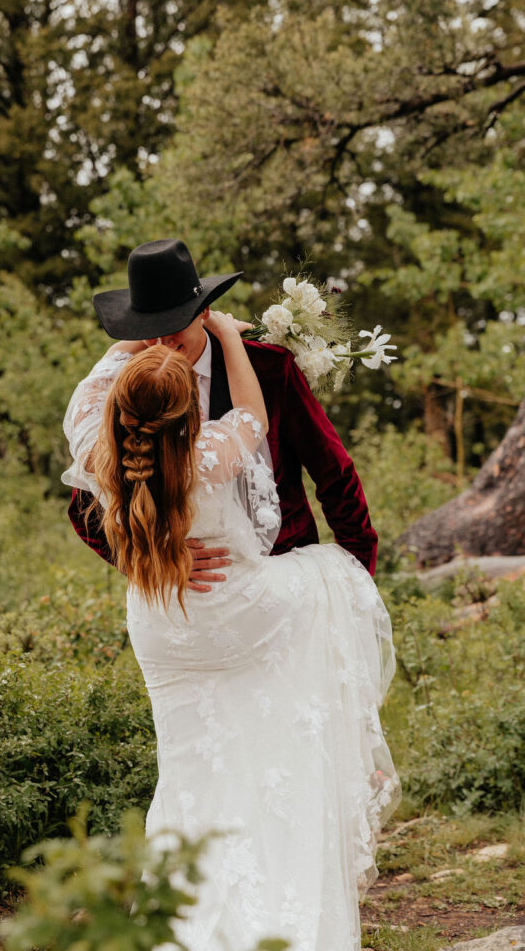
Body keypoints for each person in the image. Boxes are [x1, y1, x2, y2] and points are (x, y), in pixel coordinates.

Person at [61, 306, 401, 950]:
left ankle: (185, 922)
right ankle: (275, 895)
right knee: (330, 581)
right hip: (241, 611)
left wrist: (153, 549)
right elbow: (252, 417)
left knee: (197, 773)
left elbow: (98, 385)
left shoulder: (95, 427)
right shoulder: (213, 450)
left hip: (163, 624)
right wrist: (216, 328)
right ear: (189, 412)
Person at [67, 239, 378, 591]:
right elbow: (86, 506)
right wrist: (156, 559)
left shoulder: (269, 367)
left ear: (204, 311)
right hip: (189, 605)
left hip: (282, 584)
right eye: (149, 329)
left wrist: (358, 574)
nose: (162, 341)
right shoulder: (129, 389)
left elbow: (334, 474)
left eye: (173, 323)